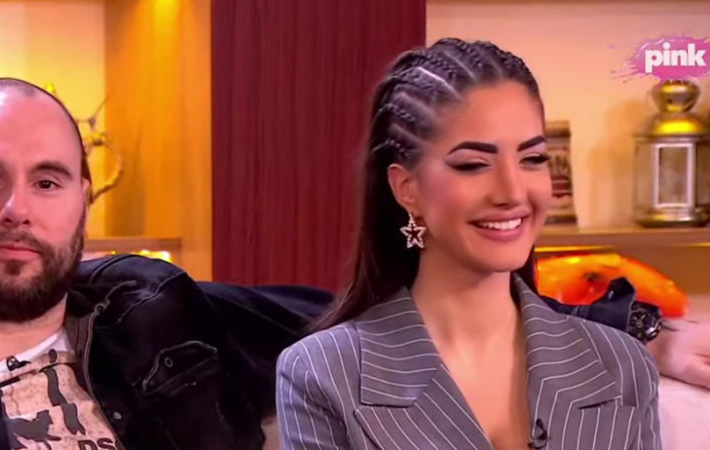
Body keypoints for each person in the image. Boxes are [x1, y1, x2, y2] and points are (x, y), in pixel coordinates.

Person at [0, 76, 700, 449]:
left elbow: (397, 321)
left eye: (47, 181)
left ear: (83, 201)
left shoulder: (154, 309)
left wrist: (640, 333)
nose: (17, 208)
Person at [275, 38, 661, 450]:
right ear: (407, 188)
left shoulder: (621, 365)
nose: (513, 191)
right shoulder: (323, 373)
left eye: (532, 159)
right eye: (474, 165)